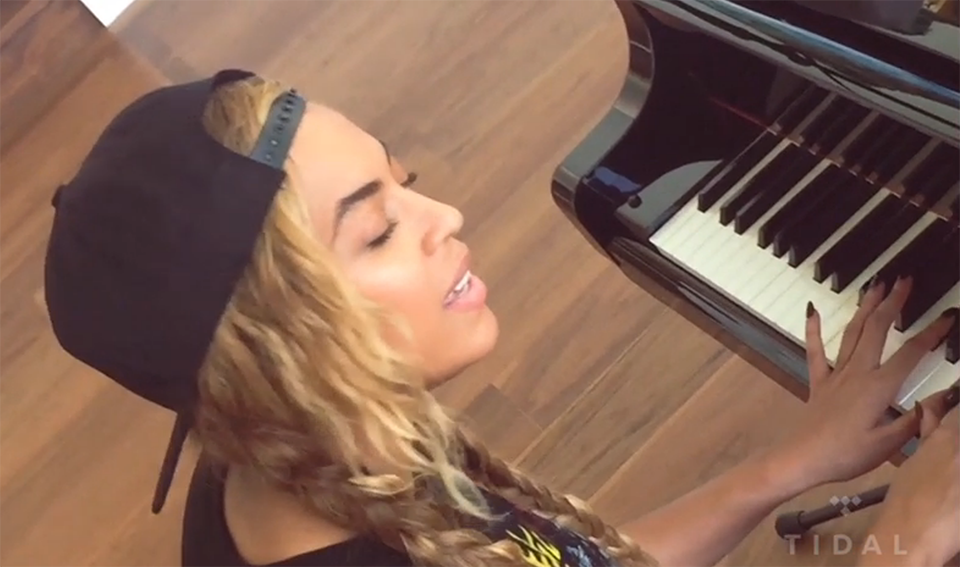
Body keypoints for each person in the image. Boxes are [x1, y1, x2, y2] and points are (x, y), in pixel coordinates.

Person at [42, 68, 960, 567]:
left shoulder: (300, 454)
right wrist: (906, 548)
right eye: (376, 231)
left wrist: (790, 464)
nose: (447, 217)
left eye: (405, 182)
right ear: (274, 348)